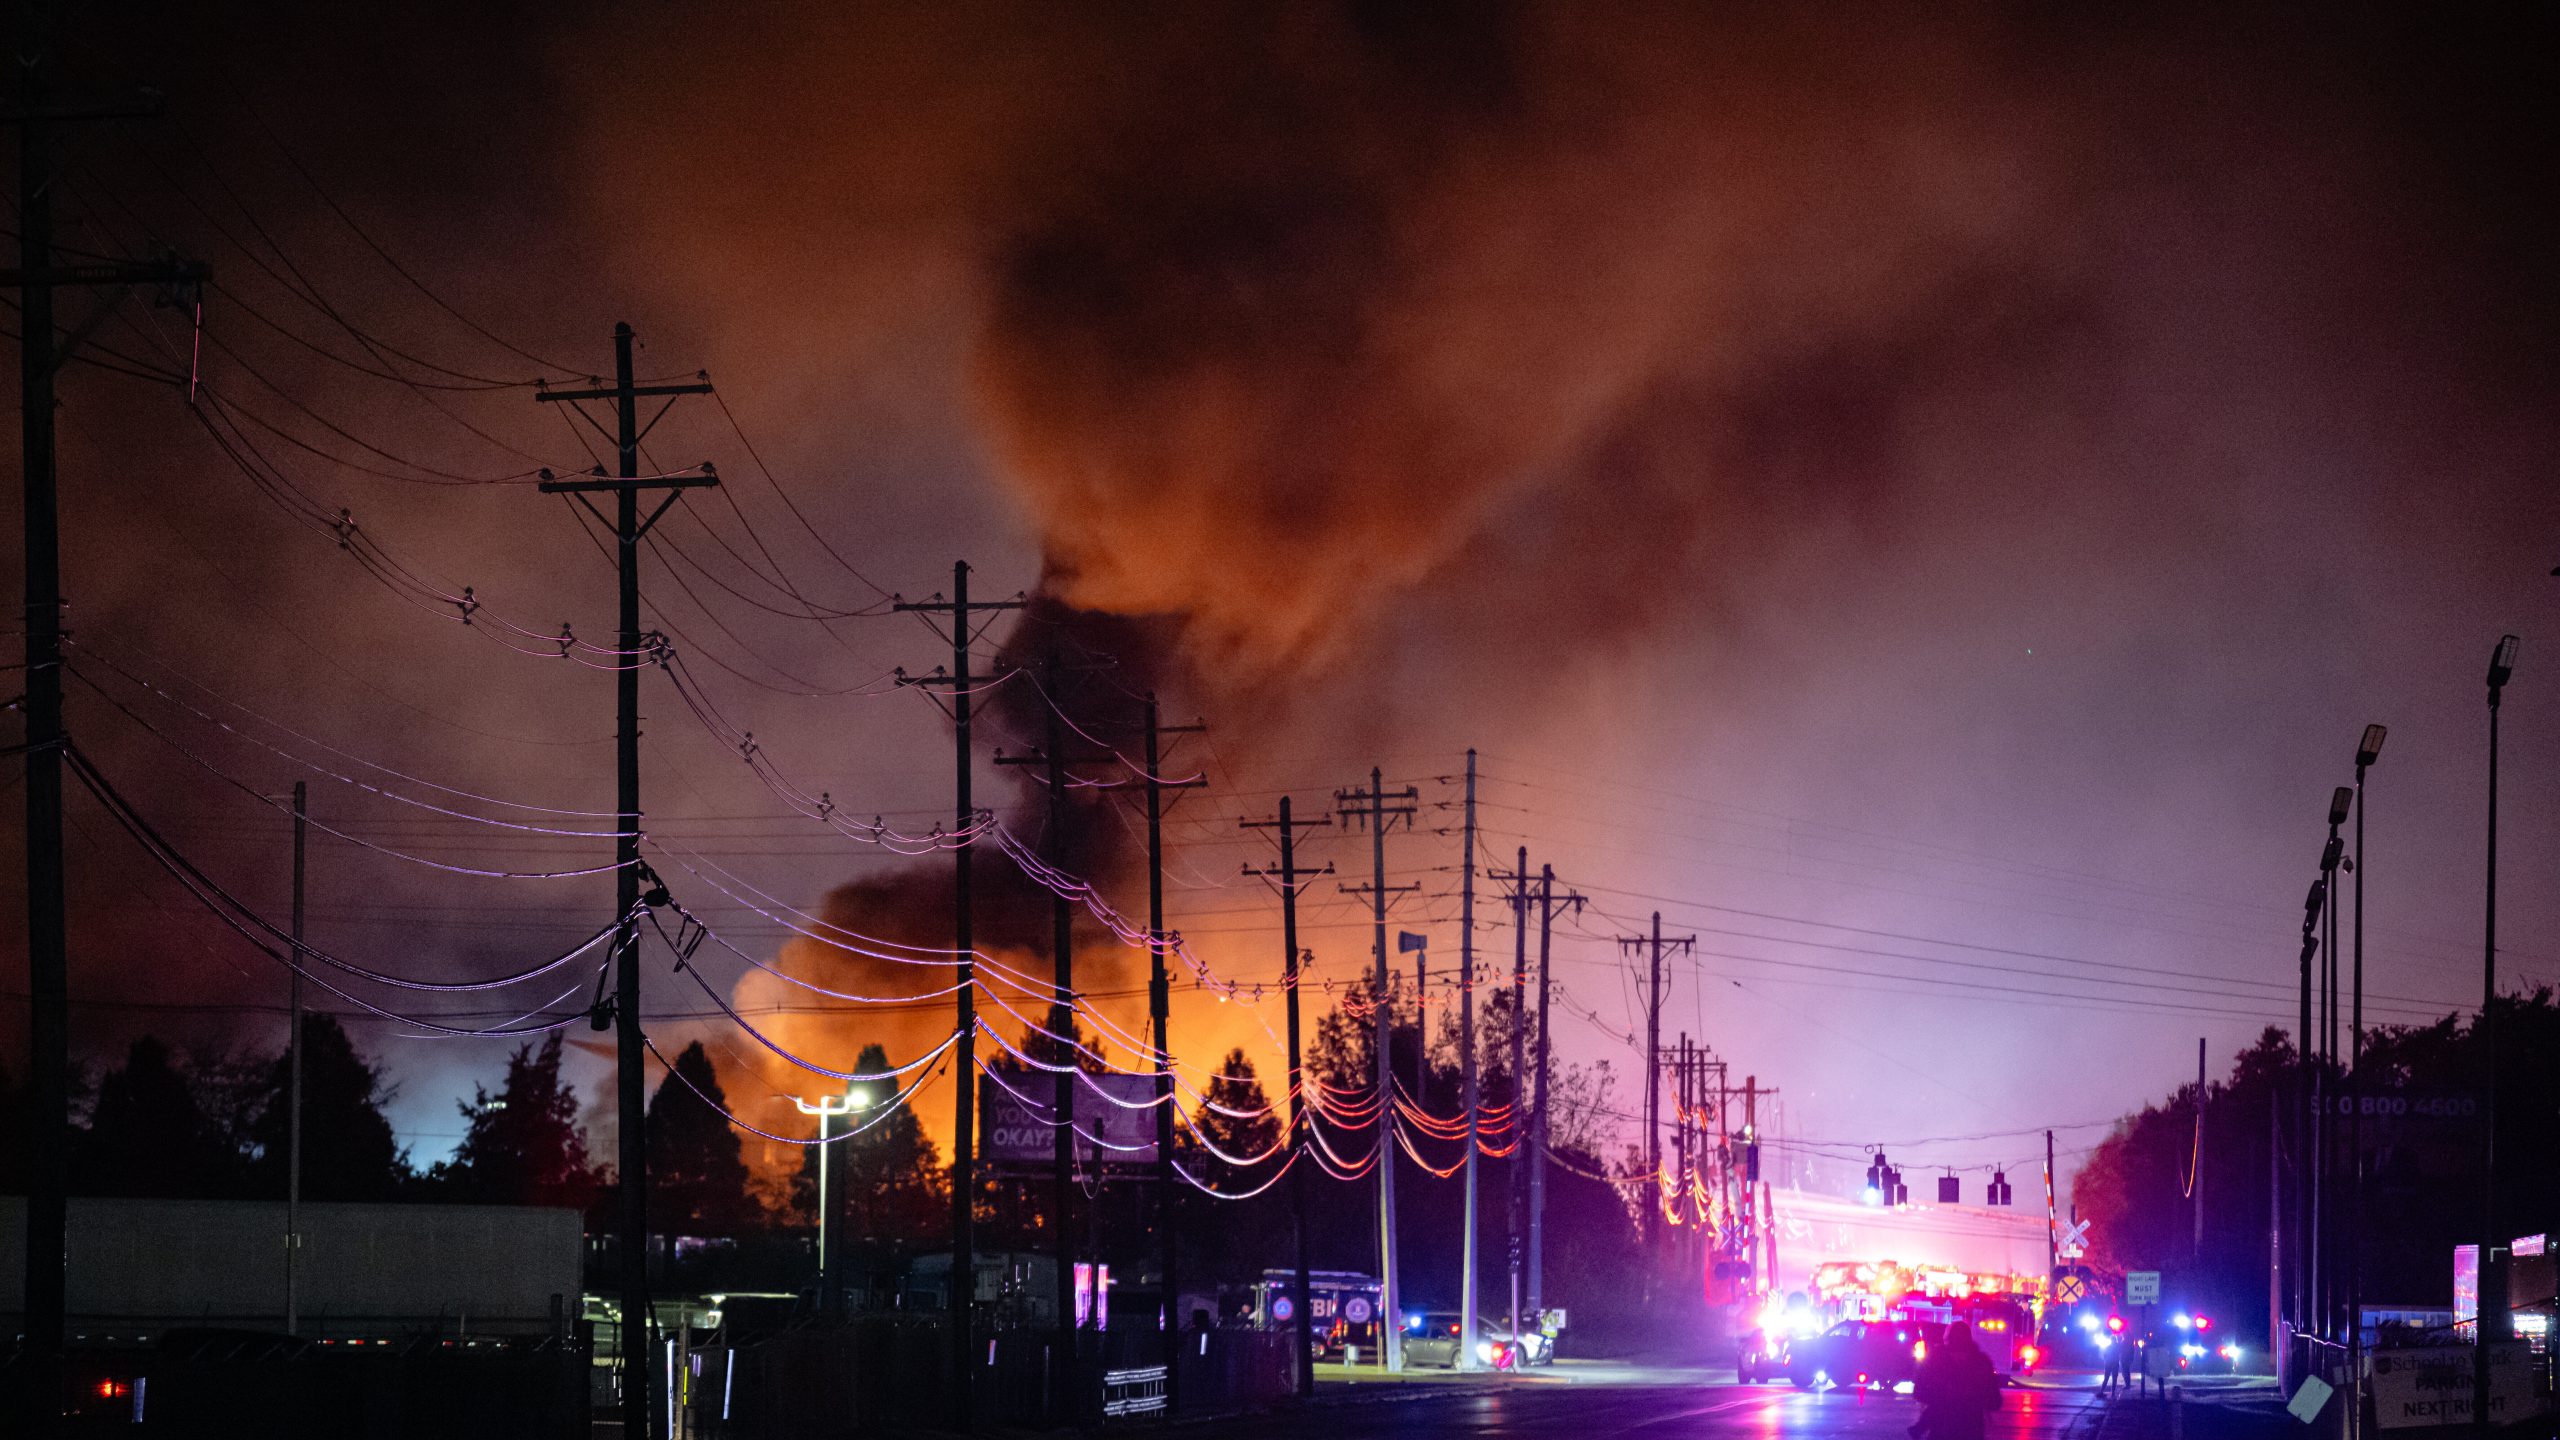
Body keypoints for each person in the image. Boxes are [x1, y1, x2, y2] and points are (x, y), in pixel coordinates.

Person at [1910, 1321, 2001, 1440]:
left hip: (1942, 1426)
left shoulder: (1935, 1359)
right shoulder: (1981, 1362)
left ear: (1947, 1338)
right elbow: (1994, 1400)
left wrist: (1940, 1400)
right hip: (1971, 1426)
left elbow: (1920, 1391)